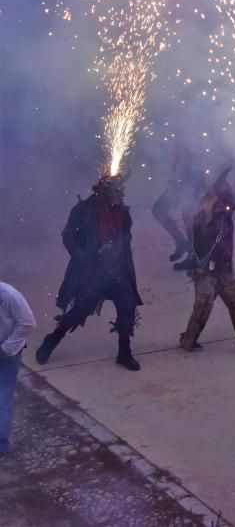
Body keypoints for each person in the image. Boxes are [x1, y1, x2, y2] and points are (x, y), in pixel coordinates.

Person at [35, 173, 143, 371]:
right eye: (115, 193)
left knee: (127, 307)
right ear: (103, 193)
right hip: (92, 271)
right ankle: (52, 339)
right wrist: (83, 256)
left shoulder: (123, 211)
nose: (120, 197)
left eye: (121, 193)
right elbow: (68, 236)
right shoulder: (82, 210)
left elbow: (126, 235)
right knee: (81, 310)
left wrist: (117, 248)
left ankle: (124, 352)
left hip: (117, 270)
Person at [178, 169, 235, 352]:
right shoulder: (206, 211)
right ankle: (188, 340)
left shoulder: (222, 209)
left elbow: (234, 200)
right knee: (202, 308)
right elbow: (233, 201)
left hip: (226, 270)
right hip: (206, 273)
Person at [151, 139, 204, 264]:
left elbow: (197, 177)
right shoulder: (178, 152)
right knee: (158, 210)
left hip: (192, 190)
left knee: (189, 220)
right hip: (177, 188)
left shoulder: (192, 153)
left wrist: (189, 190)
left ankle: (193, 256)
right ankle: (181, 242)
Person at [1, 282, 35, 457]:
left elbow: (28, 323)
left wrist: (5, 348)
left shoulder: (9, 295)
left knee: (2, 398)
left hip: (7, 354)